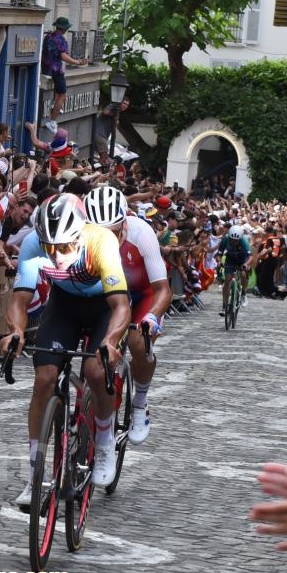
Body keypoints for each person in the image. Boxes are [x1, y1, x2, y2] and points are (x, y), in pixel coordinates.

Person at [1, 193, 130, 507]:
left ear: (80, 234)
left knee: (96, 371)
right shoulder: (33, 243)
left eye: (65, 247)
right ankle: (35, 475)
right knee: (44, 378)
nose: (57, 256)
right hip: (64, 306)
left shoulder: (101, 241)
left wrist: (111, 341)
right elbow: (19, 299)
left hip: (104, 307)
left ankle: (104, 443)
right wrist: (16, 331)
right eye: (50, 248)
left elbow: (121, 305)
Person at [83, 186, 171, 445]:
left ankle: (140, 402)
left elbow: (163, 290)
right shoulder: (80, 235)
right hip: (108, 296)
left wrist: (151, 318)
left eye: (112, 232)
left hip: (143, 294)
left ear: (125, 223)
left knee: (138, 342)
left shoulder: (141, 233)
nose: (106, 239)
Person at [41, 17, 89, 135]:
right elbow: (63, 56)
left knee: (58, 93)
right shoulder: (60, 40)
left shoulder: (48, 36)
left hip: (45, 67)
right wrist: (77, 62)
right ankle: (52, 121)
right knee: (62, 95)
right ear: (64, 28)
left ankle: (55, 104)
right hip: (56, 70)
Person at [218, 224, 251, 314]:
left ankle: (243, 293)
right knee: (227, 280)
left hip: (242, 259)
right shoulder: (225, 239)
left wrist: (246, 264)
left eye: (236, 240)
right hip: (230, 259)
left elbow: (250, 256)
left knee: (243, 274)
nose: (234, 242)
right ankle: (224, 305)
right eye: (232, 240)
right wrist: (219, 262)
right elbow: (219, 254)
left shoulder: (244, 241)